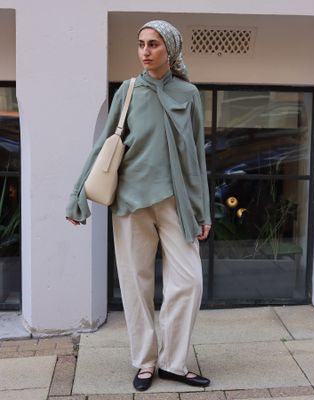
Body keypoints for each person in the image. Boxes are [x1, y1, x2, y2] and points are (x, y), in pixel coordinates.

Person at [66, 20, 212, 392]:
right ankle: (146, 362)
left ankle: (174, 363)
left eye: (154, 45)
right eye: (141, 44)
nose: (145, 51)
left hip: (176, 203)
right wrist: (77, 194)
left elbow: (196, 157)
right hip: (131, 202)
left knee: (189, 281)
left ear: (171, 50)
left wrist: (203, 211)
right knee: (135, 285)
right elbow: (103, 146)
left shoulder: (188, 94)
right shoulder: (129, 91)